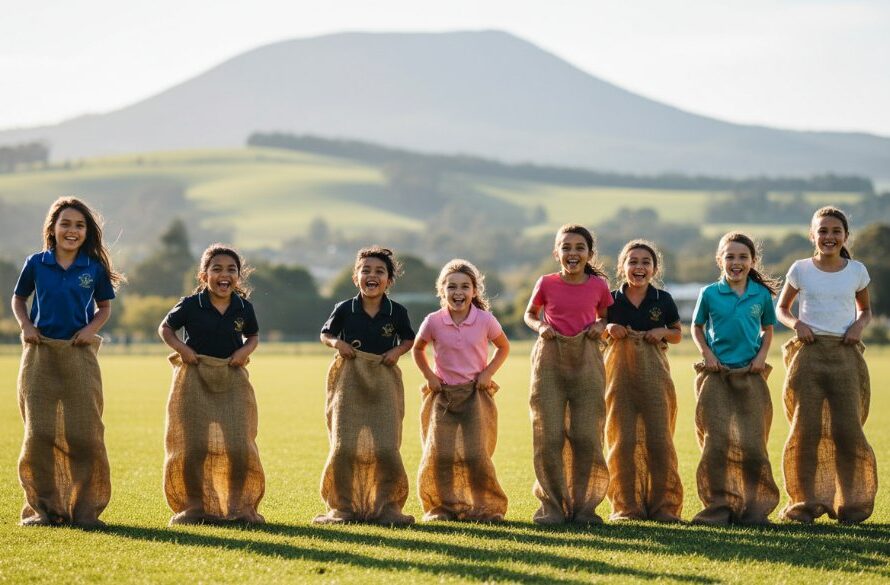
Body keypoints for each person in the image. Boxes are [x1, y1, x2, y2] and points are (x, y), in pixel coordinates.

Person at [12, 196, 123, 528]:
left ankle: (85, 509)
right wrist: (26, 326)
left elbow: (104, 307)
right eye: (66, 224)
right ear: (53, 228)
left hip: (78, 354)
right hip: (40, 352)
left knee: (84, 433)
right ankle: (44, 510)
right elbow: (19, 299)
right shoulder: (36, 263)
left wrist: (90, 330)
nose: (72, 230)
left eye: (79, 225)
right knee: (40, 433)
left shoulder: (93, 268)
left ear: (86, 232)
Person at [776, 206, 876, 524]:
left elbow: (865, 311)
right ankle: (804, 504)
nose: (829, 237)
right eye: (822, 231)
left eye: (835, 231)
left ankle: (853, 505)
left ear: (845, 236)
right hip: (808, 354)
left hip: (845, 355)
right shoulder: (800, 269)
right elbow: (782, 309)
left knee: (848, 430)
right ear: (812, 235)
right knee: (806, 430)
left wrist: (858, 328)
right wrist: (796, 325)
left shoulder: (856, 270)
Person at [159, 244, 265, 525]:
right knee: (194, 447)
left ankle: (238, 507)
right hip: (194, 379)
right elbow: (165, 328)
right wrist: (183, 350)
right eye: (216, 268)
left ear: (239, 277)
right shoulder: (191, 304)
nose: (224, 274)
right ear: (203, 275)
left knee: (239, 447)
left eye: (231, 269)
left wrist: (244, 352)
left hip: (232, 379)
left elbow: (253, 336)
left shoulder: (244, 307)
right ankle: (195, 507)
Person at [315, 246, 415, 525]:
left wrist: (396, 352)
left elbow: (409, 339)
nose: (372, 275)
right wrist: (337, 343)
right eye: (366, 270)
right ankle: (343, 509)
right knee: (345, 446)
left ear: (389, 280)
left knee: (385, 447)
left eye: (379, 271)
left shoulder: (397, 311)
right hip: (350, 380)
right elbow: (326, 334)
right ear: (355, 277)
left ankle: (387, 509)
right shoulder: (345, 308)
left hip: (383, 380)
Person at [523, 224, 613, 524]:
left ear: (589, 253)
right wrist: (541, 327)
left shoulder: (599, 286)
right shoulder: (546, 283)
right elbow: (530, 314)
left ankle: (585, 507)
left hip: (587, 360)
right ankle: (553, 508)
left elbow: (607, 316)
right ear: (556, 252)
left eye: (579, 248)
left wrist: (601, 327)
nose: (572, 253)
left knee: (586, 435)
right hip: (549, 359)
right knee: (549, 437)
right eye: (566, 247)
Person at [690, 232, 780, 525]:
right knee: (717, 444)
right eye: (730, 256)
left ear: (753, 261)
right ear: (720, 260)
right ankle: (719, 507)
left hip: (750, 376)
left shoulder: (761, 295)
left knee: (752, 444)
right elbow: (696, 327)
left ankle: (754, 508)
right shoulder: (709, 293)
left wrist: (761, 358)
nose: (736, 262)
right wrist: (708, 355)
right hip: (717, 376)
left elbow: (768, 329)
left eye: (743, 257)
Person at [413, 259, 510, 521]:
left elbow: (503, 347)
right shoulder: (433, 321)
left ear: (474, 291)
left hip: (475, 395)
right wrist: (429, 376)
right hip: (442, 395)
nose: (458, 292)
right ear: (441, 291)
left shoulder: (485, 320)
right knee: (440, 454)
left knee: (477, 454)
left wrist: (488, 373)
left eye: (465, 286)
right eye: (452, 286)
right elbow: (418, 349)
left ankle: (485, 508)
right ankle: (441, 508)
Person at [604, 239, 683, 522]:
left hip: (655, 377)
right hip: (619, 378)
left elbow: (677, 334)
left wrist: (661, 331)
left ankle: (664, 507)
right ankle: (626, 507)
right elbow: (597, 329)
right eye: (633, 262)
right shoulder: (610, 299)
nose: (639, 267)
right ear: (622, 267)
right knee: (622, 440)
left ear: (654, 268)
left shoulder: (663, 300)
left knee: (659, 440)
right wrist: (609, 327)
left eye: (645, 262)